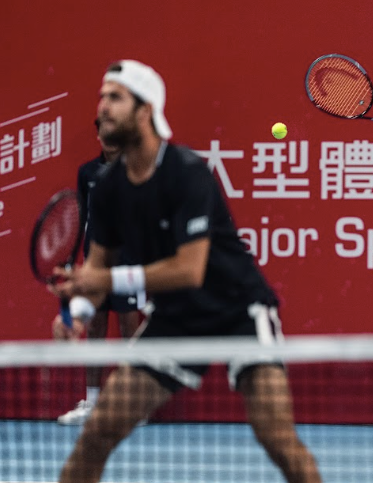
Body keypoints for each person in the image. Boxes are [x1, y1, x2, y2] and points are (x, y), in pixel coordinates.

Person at [49, 59, 322, 483]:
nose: (103, 106)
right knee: (97, 433)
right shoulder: (107, 189)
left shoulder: (187, 172)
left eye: (115, 98)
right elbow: (96, 269)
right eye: (102, 97)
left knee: (275, 436)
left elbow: (189, 270)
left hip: (239, 310)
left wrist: (102, 281)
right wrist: (80, 313)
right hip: (175, 319)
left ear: (145, 110)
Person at [56, 119, 143, 426]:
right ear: (98, 135)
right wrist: (75, 260)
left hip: (130, 263)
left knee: (130, 330)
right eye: (103, 132)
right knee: (94, 328)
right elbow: (82, 218)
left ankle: (134, 403)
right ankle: (92, 401)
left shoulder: (137, 170)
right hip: (96, 262)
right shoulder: (87, 172)